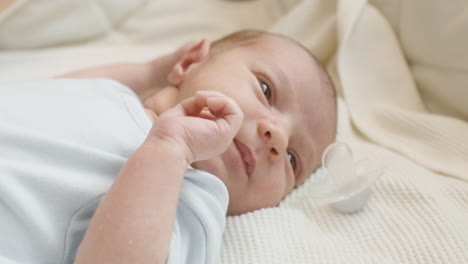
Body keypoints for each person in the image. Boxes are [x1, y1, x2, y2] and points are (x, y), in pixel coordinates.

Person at [0, 30, 336, 264]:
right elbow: (62, 91)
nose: (278, 137)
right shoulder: (116, 95)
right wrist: (149, 71)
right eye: (266, 90)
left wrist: (170, 149)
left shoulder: (194, 197)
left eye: (293, 160)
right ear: (189, 63)